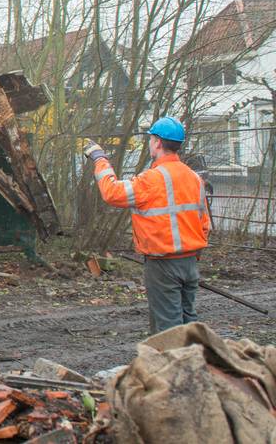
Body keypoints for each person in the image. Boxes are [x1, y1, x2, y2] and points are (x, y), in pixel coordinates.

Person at [83, 117, 212, 333]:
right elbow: (204, 223)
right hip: (190, 262)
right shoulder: (194, 178)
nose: (150, 143)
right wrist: (191, 255)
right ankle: (192, 354)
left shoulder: (152, 179)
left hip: (163, 264)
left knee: (168, 327)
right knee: (188, 321)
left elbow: (112, 192)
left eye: (151, 139)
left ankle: (171, 355)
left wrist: (100, 158)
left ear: (158, 142)